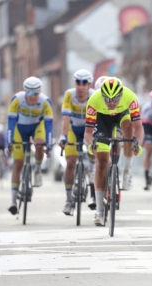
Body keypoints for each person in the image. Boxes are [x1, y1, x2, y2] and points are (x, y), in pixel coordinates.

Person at [84, 77, 144, 226]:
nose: (111, 103)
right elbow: (88, 132)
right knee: (102, 163)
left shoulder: (130, 97)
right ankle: (99, 212)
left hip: (122, 115)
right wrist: (92, 144)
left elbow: (139, 126)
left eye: (115, 99)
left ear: (121, 95)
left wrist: (139, 144)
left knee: (129, 129)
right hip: (102, 120)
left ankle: (127, 173)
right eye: (107, 99)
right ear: (101, 95)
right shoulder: (94, 100)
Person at [7, 77, 53, 215]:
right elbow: (10, 123)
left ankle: (37, 170)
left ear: (40, 92)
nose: (33, 97)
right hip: (19, 129)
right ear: (24, 92)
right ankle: (13, 201)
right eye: (30, 94)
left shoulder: (45, 102)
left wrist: (49, 144)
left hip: (36, 127)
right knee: (18, 164)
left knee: (39, 144)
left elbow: (49, 125)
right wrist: (9, 142)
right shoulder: (17, 99)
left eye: (36, 94)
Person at [58, 69, 96, 215]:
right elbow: (65, 118)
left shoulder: (94, 96)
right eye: (78, 82)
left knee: (93, 159)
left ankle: (93, 196)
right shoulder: (69, 95)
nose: (80, 86)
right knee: (70, 163)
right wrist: (63, 136)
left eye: (84, 83)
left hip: (89, 129)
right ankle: (68, 200)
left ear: (89, 85)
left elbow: (97, 120)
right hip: (73, 129)